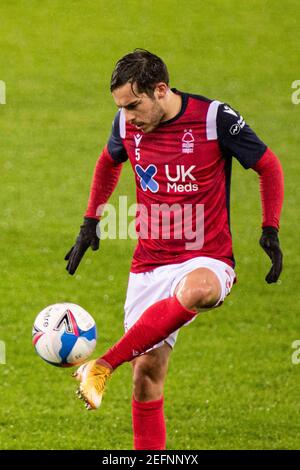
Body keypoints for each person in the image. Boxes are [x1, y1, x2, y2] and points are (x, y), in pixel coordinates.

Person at [65, 49, 284, 450]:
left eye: (134, 105)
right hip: (149, 262)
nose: (127, 117)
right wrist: (90, 221)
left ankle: (102, 365)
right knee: (146, 376)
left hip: (207, 255)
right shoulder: (125, 122)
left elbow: (268, 165)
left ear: (161, 90)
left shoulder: (214, 119)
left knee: (199, 291)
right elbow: (108, 162)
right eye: (121, 108)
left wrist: (269, 229)